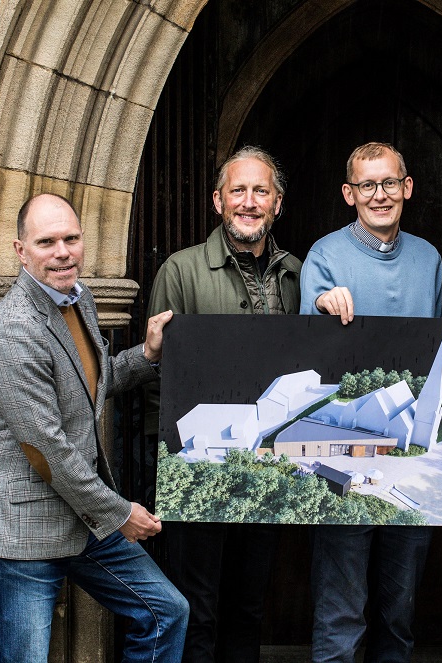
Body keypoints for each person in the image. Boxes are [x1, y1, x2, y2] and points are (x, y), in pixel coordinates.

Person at [0, 193, 188, 662]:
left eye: (71, 238)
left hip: (77, 514)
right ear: (21, 251)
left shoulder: (76, 299)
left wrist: (147, 355)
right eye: (47, 242)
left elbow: (89, 385)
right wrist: (120, 512)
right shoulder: (15, 328)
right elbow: (47, 450)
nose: (62, 252)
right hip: (21, 525)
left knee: (166, 611)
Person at [145, 146, 301, 662]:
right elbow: (156, 378)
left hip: (269, 470)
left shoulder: (296, 274)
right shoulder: (181, 270)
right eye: (239, 190)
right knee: (199, 608)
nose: (249, 202)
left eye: (262, 192)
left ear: (277, 203)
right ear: (218, 200)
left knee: (249, 607)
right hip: (201, 468)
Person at [301, 142, 442, 662]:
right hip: (342, 451)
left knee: (399, 611)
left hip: (410, 455)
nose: (379, 195)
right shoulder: (323, 255)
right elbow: (304, 356)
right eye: (367, 185)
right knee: (342, 610)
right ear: (348, 194)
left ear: (407, 188)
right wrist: (320, 303)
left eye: (389, 183)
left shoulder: (429, 258)